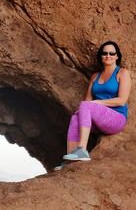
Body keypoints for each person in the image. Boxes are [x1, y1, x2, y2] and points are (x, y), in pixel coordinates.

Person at [54, 41, 132, 171]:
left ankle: (82, 150)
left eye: (112, 53)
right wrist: (86, 107)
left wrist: (95, 103)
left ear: (117, 56)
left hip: (116, 119)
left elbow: (121, 101)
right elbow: (88, 100)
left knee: (86, 105)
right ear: (101, 56)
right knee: (76, 116)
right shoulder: (95, 76)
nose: (108, 56)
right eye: (105, 53)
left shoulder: (122, 73)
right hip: (98, 119)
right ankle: (70, 159)